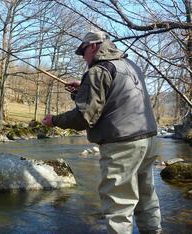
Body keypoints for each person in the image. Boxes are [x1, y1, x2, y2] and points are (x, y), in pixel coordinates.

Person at [42, 31, 162, 234]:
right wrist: (84, 88)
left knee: (118, 206)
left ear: (94, 46)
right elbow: (116, 97)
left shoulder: (98, 71)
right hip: (148, 139)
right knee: (146, 197)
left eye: (83, 52)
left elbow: (84, 117)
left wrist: (54, 121)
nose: (83, 57)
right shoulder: (130, 65)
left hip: (121, 143)